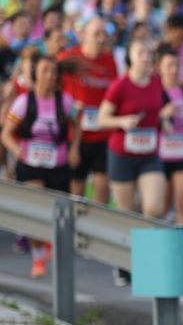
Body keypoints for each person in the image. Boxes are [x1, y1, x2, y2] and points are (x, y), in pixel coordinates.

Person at [102, 40, 172, 283]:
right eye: (140, 52)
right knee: (126, 212)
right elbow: (103, 118)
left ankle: (146, 262)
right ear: (130, 57)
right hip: (122, 154)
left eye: (149, 53)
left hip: (149, 154)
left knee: (154, 208)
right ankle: (123, 263)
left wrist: (165, 122)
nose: (146, 57)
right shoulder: (120, 85)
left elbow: (159, 109)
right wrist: (121, 122)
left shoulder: (156, 82)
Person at [3, 56, 76, 278]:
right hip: (31, 163)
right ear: (35, 76)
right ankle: (37, 258)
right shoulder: (24, 102)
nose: (50, 76)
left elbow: (77, 124)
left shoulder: (65, 101)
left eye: (53, 72)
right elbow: (5, 134)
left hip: (58, 163)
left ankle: (51, 245)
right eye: (45, 71)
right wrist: (17, 152)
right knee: (36, 209)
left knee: (57, 212)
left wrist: (75, 149)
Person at [58, 15, 118, 203]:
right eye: (96, 34)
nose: (101, 38)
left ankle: (96, 230)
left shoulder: (110, 61)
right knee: (77, 190)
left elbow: (114, 94)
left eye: (104, 34)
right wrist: (70, 106)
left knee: (102, 187)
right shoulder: (68, 58)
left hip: (103, 134)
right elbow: (53, 92)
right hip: (76, 134)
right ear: (83, 34)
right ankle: (76, 231)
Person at [154, 45, 183, 229]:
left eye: (177, 65)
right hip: (160, 155)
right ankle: (160, 246)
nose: (174, 70)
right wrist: (161, 115)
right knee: (161, 206)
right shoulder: (153, 92)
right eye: (169, 65)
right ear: (159, 68)